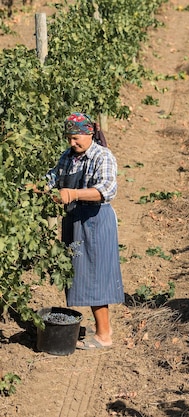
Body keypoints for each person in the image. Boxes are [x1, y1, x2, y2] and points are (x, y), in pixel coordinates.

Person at [46, 112, 124, 350]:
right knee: (82, 274)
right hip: (74, 221)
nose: (72, 143)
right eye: (69, 138)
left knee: (96, 276)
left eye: (76, 137)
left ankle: (104, 335)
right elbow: (53, 178)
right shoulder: (68, 157)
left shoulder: (103, 156)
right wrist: (37, 187)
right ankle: (102, 329)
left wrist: (73, 194)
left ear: (89, 133)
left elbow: (107, 190)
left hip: (96, 220)